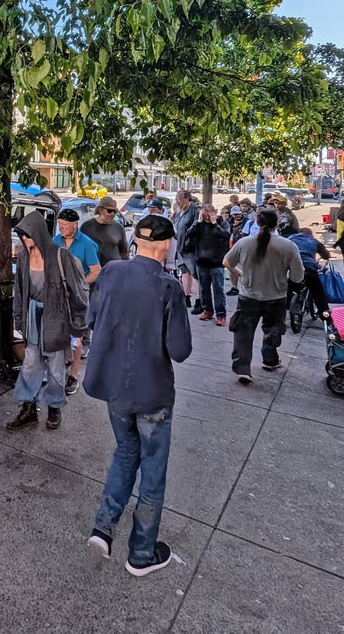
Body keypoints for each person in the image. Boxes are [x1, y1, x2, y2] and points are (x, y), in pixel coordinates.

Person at [84, 214, 192, 577]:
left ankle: (104, 526)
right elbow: (180, 349)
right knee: (153, 471)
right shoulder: (168, 285)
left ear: (135, 239)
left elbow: (92, 318)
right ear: (165, 245)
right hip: (152, 395)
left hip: (115, 389)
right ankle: (142, 553)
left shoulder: (112, 272)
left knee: (125, 453)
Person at [6, 210, 89, 432]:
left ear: (40, 233)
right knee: (30, 364)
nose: (25, 239)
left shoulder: (60, 256)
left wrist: (79, 326)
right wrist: (19, 320)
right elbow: (20, 291)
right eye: (22, 235)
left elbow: (77, 292)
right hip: (33, 315)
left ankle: (54, 407)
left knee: (55, 365)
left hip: (56, 317)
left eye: (28, 235)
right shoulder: (24, 257)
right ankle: (29, 407)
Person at [223, 209, 304, 383]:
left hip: (248, 296)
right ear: (277, 224)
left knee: (243, 333)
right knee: (272, 331)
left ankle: (243, 368)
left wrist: (238, 273)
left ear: (257, 223)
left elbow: (227, 261)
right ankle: (270, 360)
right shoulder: (288, 246)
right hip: (276, 296)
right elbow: (298, 276)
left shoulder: (244, 243)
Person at [52, 207, 100, 396]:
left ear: (75, 224)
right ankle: (58, 369)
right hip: (58, 297)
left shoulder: (87, 244)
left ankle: (73, 376)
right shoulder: (56, 241)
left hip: (78, 297)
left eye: (64, 226)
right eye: (59, 226)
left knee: (76, 337)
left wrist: (79, 285)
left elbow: (96, 270)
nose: (61, 229)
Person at [188, 205, 231, 326]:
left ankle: (221, 314)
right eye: (204, 214)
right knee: (204, 288)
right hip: (201, 260)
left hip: (217, 262)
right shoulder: (199, 223)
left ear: (214, 213)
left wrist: (214, 224)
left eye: (209, 214)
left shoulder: (222, 223)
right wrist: (198, 221)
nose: (207, 217)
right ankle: (207, 310)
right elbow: (189, 233)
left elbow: (226, 235)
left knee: (218, 289)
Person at [282, 226, 331, 322]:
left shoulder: (291, 238)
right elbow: (326, 255)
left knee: (287, 290)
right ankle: (326, 318)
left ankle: (284, 310)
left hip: (292, 268)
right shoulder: (313, 241)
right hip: (309, 268)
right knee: (318, 293)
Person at [173, 189, 201, 310]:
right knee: (184, 272)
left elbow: (197, 226)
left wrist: (188, 234)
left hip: (191, 247)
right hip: (180, 247)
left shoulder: (194, 210)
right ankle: (187, 297)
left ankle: (199, 300)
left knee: (195, 274)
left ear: (188, 198)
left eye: (181, 199)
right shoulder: (178, 213)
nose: (179, 201)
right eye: (177, 199)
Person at [80, 196, 129, 265]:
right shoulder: (86, 227)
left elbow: (124, 253)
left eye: (115, 212)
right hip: (93, 270)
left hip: (114, 270)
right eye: (109, 211)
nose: (112, 214)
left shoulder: (118, 227)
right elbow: (80, 251)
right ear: (100, 210)